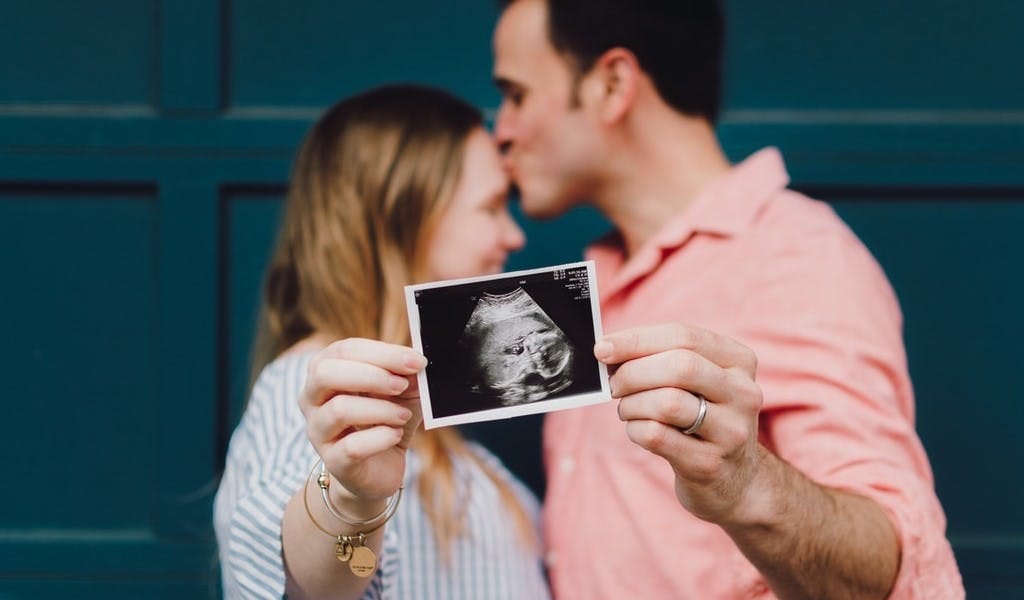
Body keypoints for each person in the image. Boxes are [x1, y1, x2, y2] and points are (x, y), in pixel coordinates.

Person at [490, 0, 964, 598]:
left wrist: (745, 485)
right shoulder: (590, 280)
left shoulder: (795, 258)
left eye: (516, 94)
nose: (500, 130)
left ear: (612, 84)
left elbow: (886, 566)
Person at [213, 84, 550, 599]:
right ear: (402, 219)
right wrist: (351, 499)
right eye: (491, 207)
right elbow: (307, 580)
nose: (514, 235)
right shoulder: (315, 392)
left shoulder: (426, 418)